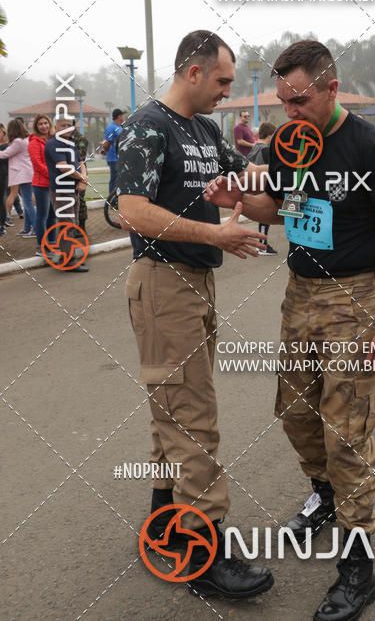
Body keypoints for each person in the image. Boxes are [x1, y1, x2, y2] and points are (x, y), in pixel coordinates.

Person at [205, 39, 375, 621]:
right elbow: (282, 209)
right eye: (283, 101)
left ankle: (358, 568)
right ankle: (325, 495)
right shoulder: (288, 144)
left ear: (330, 87)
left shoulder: (374, 148)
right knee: (296, 414)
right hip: (299, 295)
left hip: (354, 298)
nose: (289, 111)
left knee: (345, 432)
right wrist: (241, 202)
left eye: (299, 100)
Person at [116, 30, 273, 600]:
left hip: (197, 282)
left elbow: (246, 181)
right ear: (193, 72)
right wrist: (216, 232)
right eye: (223, 81)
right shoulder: (147, 127)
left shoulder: (205, 129)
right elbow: (131, 209)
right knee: (193, 416)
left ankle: (164, 521)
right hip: (162, 282)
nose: (228, 93)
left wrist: (287, 185)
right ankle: (206, 551)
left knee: (172, 408)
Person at [44, 118, 89, 271]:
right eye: (62, 125)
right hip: (61, 191)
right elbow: (63, 168)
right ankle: (68, 261)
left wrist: (83, 177)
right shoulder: (53, 144)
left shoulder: (70, 144)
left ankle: (67, 257)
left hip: (72, 189)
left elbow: (80, 162)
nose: (66, 128)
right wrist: (82, 177)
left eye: (69, 125)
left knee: (72, 224)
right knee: (67, 225)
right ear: (55, 127)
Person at [0, 119, 37, 237]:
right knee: (26, 202)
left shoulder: (18, 142)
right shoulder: (25, 140)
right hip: (26, 174)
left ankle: (36, 228)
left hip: (22, 175)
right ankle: (27, 228)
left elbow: (5, 154)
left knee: (27, 203)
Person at [28, 113, 57, 256]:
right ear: (36, 127)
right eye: (40, 124)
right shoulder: (34, 142)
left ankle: (52, 243)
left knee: (53, 216)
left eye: (46, 123)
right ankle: (41, 247)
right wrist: (53, 175)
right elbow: (38, 165)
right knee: (42, 216)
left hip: (53, 183)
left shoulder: (53, 139)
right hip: (41, 185)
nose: (44, 126)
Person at [247, 121, 277, 254]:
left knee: (263, 216)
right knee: (265, 217)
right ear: (270, 136)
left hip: (253, 185)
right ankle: (262, 244)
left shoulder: (254, 147)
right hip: (263, 186)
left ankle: (262, 243)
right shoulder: (265, 149)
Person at [102, 108, 124, 194]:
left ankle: (117, 198)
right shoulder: (111, 127)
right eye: (122, 115)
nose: (124, 116)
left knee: (119, 179)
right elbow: (106, 142)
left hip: (120, 157)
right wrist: (105, 151)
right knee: (114, 179)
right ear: (119, 116)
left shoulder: (120, 126)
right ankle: (112, 200)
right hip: (113, 158)